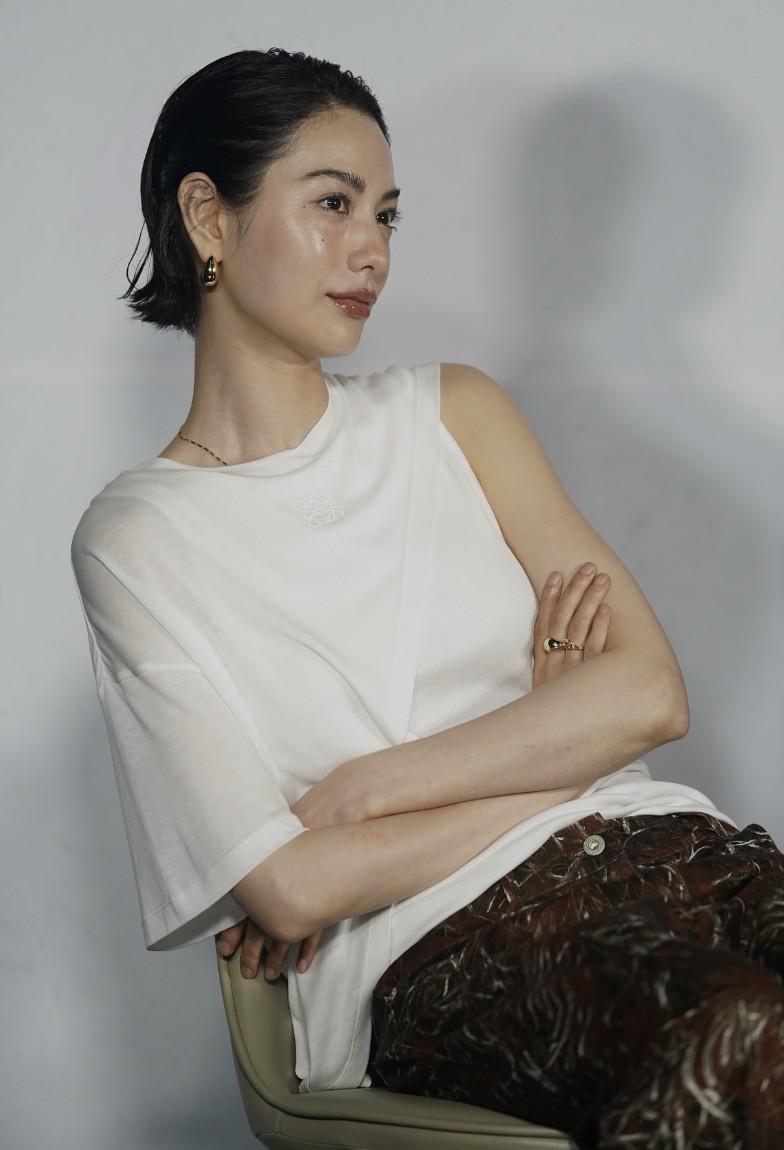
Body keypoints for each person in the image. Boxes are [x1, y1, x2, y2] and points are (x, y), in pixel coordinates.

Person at [72, 48, 784, 1148]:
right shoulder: (137, 540)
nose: (373, 248)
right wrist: (551, 746)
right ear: (208, 216)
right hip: (457, 947)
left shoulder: (455, 411)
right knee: (748, 1041)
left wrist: (371, 790)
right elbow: (293, 888)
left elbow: (650, 695)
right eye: (333, 203)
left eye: (387, 214)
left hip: (677, 854)